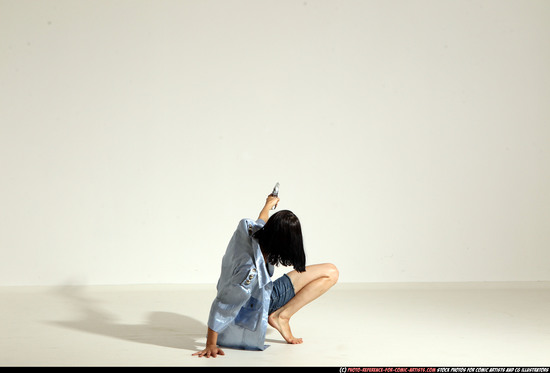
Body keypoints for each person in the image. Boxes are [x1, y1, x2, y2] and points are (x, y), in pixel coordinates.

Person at [193, 194, 339, 358]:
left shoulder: (250, 230)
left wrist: (269, 204)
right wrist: (211, 344)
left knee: (330, 269)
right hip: (257, 306)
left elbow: (261, 221)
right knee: (331, 274)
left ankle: (280, 316)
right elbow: (224, 304)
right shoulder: (249, 273)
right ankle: (281, 316)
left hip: (259, 293)